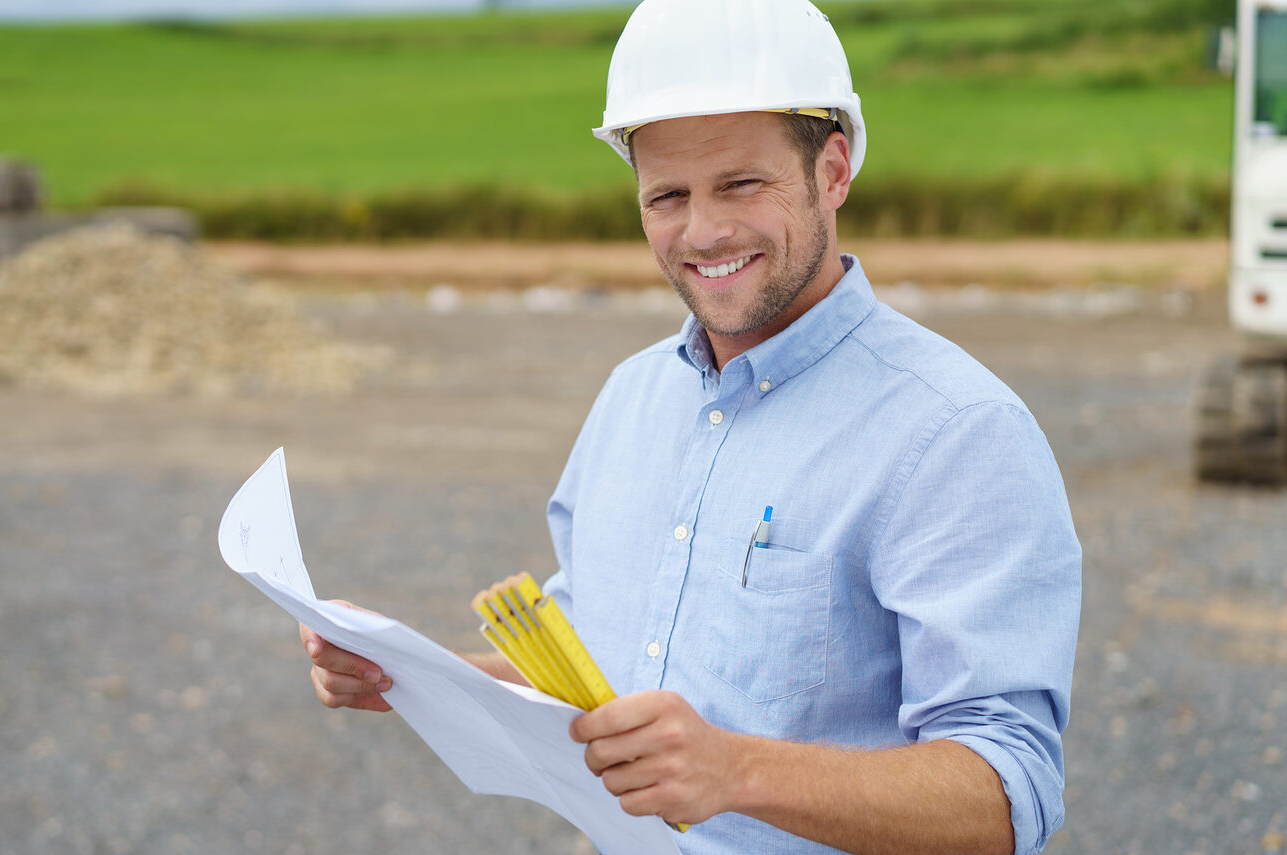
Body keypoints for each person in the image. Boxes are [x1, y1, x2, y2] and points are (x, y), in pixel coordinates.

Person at [301, 1, 1082, 853]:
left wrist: (734, 770)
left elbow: (1009, 794)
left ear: (833, 170)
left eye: (742, 184)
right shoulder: (630, 400)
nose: (703, 232)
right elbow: (604, 677)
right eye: (666, 196)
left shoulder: (957, 431)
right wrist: (415, 674)